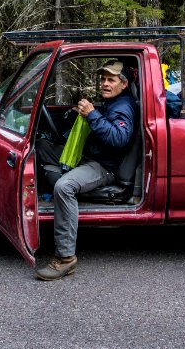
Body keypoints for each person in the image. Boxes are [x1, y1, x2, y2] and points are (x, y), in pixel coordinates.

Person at [34, 59, 137, 281]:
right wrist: (82, 114)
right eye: (103, 79)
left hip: (104, 167)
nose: (105, 84)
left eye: (111, 80)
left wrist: (92, 114)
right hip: (90, 156)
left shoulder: (124, 107)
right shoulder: (112, 103)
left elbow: (118, 139)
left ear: (124, 84)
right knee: (40, 147)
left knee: (64, 186)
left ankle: (65, 258)